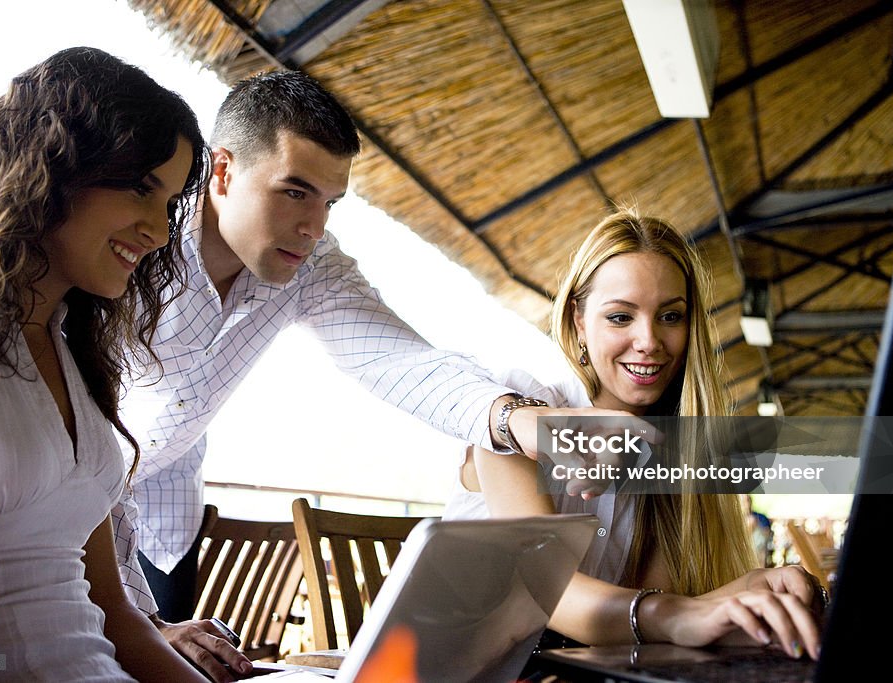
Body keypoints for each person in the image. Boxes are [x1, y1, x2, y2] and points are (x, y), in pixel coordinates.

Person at [111, 68, 658, 681]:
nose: (314, 226)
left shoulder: (313, 266)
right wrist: (143, 625)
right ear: (222, 171)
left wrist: (524, 421)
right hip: (75, 502)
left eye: (329, 201)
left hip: (161, 518)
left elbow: (398, 359)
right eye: (294, 192)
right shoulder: (131, 240)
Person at [0, 46, 212, 681]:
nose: (160, 232)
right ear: (53, 167)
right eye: (141, 188)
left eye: (168, 204)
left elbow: (113, 614)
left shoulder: (74, 352)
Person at [443, 208, 827, 660]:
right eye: (621, 317)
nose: (649, 340)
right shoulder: (518, 413)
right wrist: (683, 615)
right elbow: (546, 587)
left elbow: (641, 618)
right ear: (579, 322)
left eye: (670, 316)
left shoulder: (669, 451)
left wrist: (750, 594)